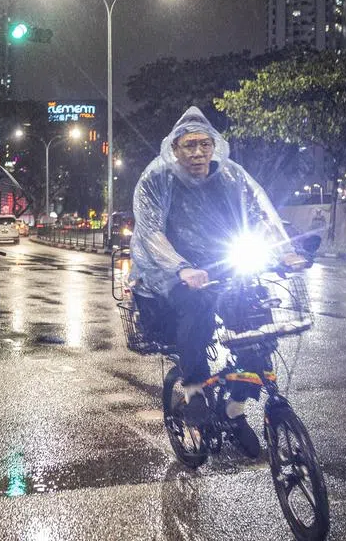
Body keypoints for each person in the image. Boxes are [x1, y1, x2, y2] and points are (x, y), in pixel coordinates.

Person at [129, 107, 303, 457]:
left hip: (220, 264)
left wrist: (285, 252)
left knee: (256, 321)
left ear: (214, 146)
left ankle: (234, 410)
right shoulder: (157, 179)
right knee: (197, 306)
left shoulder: (230, 176)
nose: (197, 152)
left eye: (204, 144)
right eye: (189, 145)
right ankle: (193, 387)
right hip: (169, 270)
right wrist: (181, 267)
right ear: (174, 149)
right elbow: (151, 232)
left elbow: (259, 214)